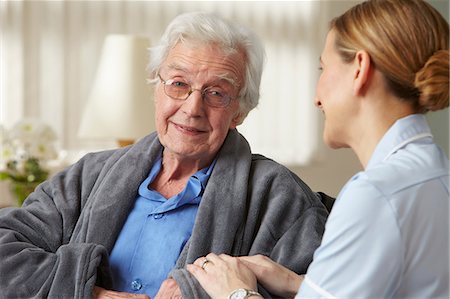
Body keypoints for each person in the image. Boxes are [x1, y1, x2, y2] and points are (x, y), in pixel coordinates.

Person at [0, 12, 330, 299]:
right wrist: (89, 292)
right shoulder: (89, 175)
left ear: (240, 111)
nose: (192, 108)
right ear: (155, 88)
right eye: (178, 84)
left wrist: (197, 289)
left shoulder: (279, 197)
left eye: (216, 93)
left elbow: (323, 289)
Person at [188, 0, 450, 298]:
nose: (317, 98)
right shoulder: (434, 174)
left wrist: (235, 292)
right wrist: (296, 283)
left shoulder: (376, 195)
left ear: (359, 69)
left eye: (323, 68)